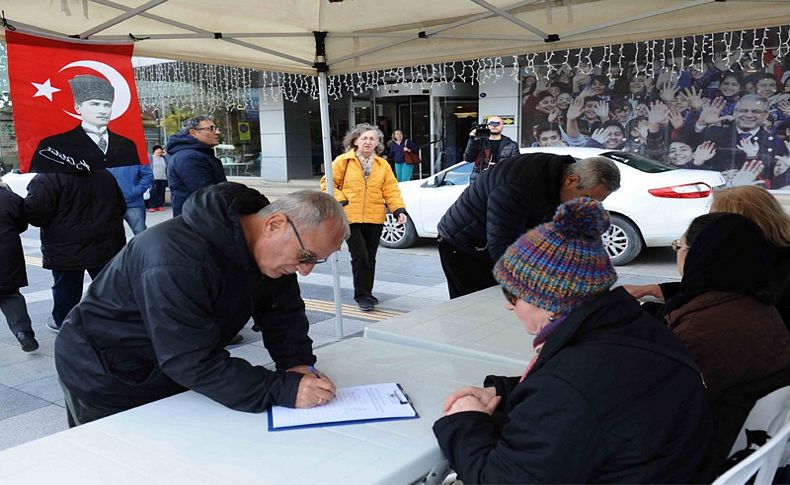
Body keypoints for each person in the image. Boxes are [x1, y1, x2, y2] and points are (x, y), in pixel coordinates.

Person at [433, 198, 711, 483]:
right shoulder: (635, 328)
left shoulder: (573, 384)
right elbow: (584, 398)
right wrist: (503, 391)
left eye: (511, 295)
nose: (508, 306)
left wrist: (467, 420)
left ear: (550, 301)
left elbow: (498, 480)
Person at [54, 184, 348, 427]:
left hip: (169, 359)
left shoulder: (270, 251)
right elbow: (189, 360)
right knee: (121, 461)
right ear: (275, 224)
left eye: (315, 261)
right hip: (104, 368)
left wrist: (296, 363)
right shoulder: (174, 259)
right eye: (306, 256)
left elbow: (282, 312)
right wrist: (281, 389)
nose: (305, 270)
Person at [661, 212, 790, 480]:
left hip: (701, 459)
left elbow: (662, 412)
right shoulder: (755, 304)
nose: (677, 253)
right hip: (741, 444)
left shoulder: (703, 333)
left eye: (679, 246)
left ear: (700, 255)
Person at [437, 153, 620, 298]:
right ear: (572, 180)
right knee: (474, 308)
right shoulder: (517, 187)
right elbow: (504, 249)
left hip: (502, 240)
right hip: (465, 246)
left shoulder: (563, 175)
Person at [24, 169, 126, 332]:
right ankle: (115, 320)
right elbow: (121, 206)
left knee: (66, 287)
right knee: (108, 285)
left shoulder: (47, 178)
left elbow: (35, 215)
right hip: (106, 243)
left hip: (66, 247)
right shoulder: (103, 174)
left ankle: (65, 322)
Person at [321, 123, 408, 311]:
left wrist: (398, 210)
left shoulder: (382, 164)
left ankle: (367, 292)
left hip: (375, 217)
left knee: (370, 258)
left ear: (378, 142)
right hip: (350, 217)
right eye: (364, 138)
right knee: (360, 256)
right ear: (355, 141)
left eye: (372, 138)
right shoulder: (343, 161)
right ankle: (362, 296)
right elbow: (327, 182)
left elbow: (391, 189)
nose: (368, 141)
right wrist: (341, 200)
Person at [29, 74, 140, 173]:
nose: (103, 110)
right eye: (95, 104)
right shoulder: (53, 145)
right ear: (77, 107)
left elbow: (137, 174)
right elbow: (41, 183)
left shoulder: (127, 145)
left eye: (107, 105)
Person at [689, 94, 788, 186]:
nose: (748, 115)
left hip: (753, 196)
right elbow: (685, 148)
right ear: (735, 113)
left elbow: (774, 178)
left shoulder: (775, 143)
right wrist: (701, 123)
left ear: (765, 116)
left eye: (756, 111)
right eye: (743, 111)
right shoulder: (714, 133)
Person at [0, 181, 38, 351]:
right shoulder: (10, 197)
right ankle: (23, 333)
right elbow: (22, 223)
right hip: (7, 251)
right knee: (10, 294)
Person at [166, 115, 226, 217]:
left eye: (216, 128)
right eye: (211, 129)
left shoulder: (199, 153)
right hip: (199, 221)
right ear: (193, 133)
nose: (217, 132)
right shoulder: (189, 157)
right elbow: (206, 194)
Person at [464, 116, 519, 184]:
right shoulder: (480, 141)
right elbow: (468, 158)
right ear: (487, 126)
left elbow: (515, 166)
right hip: (480, 180)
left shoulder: (511, 144)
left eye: (497, 124)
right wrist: (473, 139)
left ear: (502, 126)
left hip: (500, 180)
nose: (494, 126)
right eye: (491, 124)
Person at [108, 163, 154, 235]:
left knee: (140, 234)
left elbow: (148, 176)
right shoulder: (104, 155)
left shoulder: (137, 154)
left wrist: (135, 191)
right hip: (111, 203)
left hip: (133, 203)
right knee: (113, 237)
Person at [145, 145, 169, 212]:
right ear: (154, 150)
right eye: (158, 149)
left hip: (163, 178)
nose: (159, 151)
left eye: (160, 149)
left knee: (161, 192)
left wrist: (165, 154)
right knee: (153, 192)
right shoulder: (150, 157)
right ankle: (152, 206)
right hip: (154, 178)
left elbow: (168, 162)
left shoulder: (164, 158)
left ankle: (160, 205)